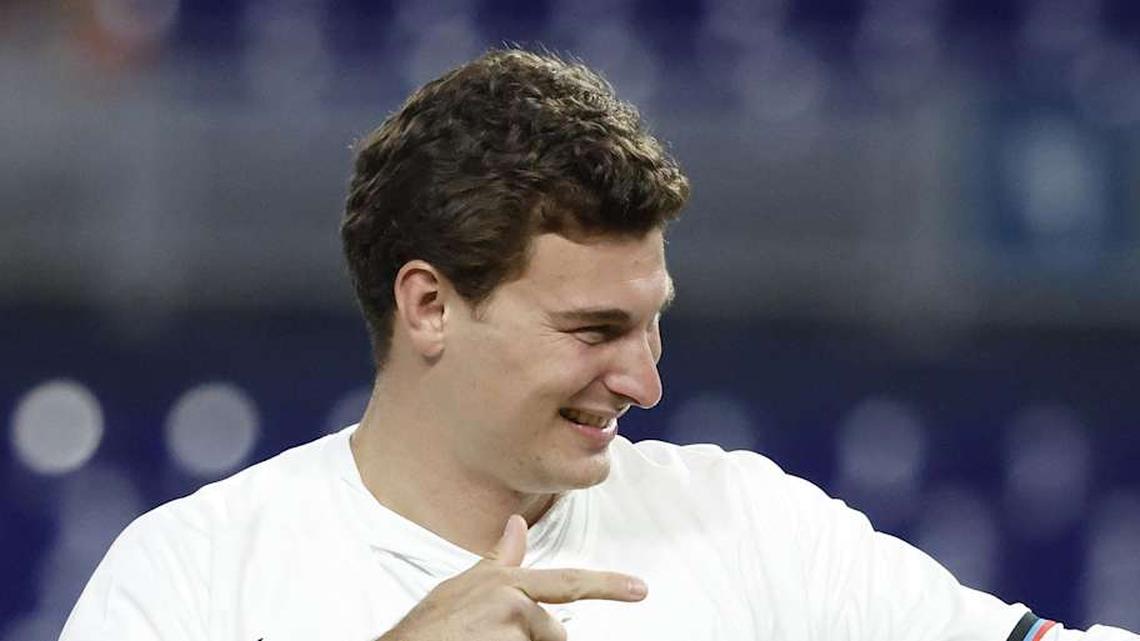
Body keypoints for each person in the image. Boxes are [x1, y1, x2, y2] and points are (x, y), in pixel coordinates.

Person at [60, 49, 1136, 641]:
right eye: (594, 329)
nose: (645, 379)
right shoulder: (192, 574)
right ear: (429, 305)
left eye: (652, 318)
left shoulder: (749, 524)